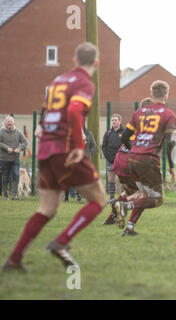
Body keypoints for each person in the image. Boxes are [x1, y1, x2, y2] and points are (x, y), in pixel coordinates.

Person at [3, 42, 107, 271]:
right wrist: (79, 145)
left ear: (74, 61)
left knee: (47, 209)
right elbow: (72, 111)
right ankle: (61, 242)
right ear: (96, 63)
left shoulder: (58, 80)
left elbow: (46, 113)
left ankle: (14, 259)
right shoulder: (84, 83)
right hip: (65, 148)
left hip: (46, 149)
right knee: (99, 199)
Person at [114, 80, 176, 236]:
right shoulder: (169, 115)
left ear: (151, 94)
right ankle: (124, 206)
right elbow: (169, 143)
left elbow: (124, 137)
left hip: (132, 158)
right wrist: (171, 166)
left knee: (145, 196)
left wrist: (134, 150)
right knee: (157, 199)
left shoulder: (139, 112)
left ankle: (129, 228)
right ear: (166, 96)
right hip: (148, 159)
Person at [0, 116, 28, 200]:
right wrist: (6, 148)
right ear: (5, 123)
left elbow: (25, 142)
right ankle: (5, 195)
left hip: (15, 158)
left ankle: (14, 195)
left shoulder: (18, 132)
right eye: (8, 121)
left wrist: (19, 149)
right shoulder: (1, 132)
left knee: (16, 175)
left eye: (11, 121)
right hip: (4, 159)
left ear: (14, 123)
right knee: (5, 177)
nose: (9, 123)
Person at [102, 114, 125, 200]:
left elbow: (128, 145)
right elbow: (103, 146)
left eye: (115, 120)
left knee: (122, 180)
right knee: (111, 179)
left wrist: (122, 156)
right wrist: (108, 157)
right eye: (112, 120)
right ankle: (111, 198)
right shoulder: (108, 133)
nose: (114, 122)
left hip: (121, 159)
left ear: (120, 121)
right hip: (110, 159)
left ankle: (122, 198)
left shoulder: (125, 132)